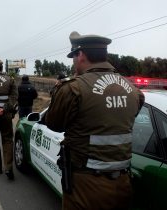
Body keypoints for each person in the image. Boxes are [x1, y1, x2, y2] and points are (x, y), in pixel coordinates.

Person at [45, 31, 145, 210]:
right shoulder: (133, 90)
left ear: (81, 55)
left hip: (86, 188)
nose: (73, 62)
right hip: (123, 185)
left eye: (73, 56)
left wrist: (57, 92)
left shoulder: (73, 88)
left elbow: (53, 123)